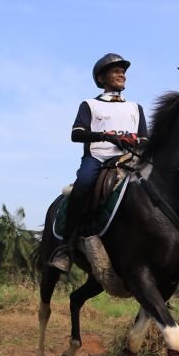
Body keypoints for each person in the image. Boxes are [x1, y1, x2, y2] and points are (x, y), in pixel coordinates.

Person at [48, 53, 149, 273]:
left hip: (130, 158)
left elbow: (144, 138)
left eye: (123, 71)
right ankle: (66, 248)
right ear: (102, 78)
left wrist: (135, 143)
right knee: (83, 184)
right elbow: (77, 134)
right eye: (116, 71)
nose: (121, 74)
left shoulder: (135, 107)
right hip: (98, 157)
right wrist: (107, 136)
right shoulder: (90, 105)